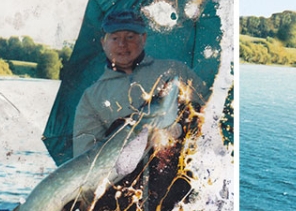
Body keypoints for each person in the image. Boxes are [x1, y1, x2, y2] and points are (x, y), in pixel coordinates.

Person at [72, 9, 203, 157]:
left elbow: (212, 115)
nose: (122, 44)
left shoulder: (175, 71)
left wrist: (184, 126)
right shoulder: (91, 97)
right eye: (114, 38)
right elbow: (84, 155)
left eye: (130, 37)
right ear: (103, 43)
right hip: (121, 177)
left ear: (144, 38)